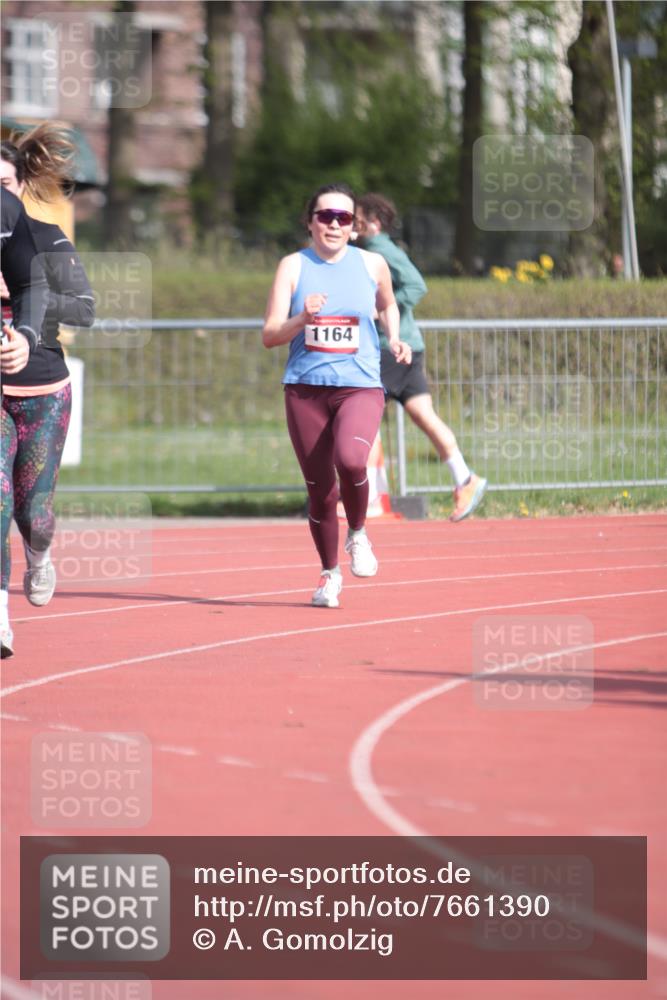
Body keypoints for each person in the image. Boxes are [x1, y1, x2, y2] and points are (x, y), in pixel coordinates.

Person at [263, 182, 411, 608]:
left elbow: (387, 305)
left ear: (354, 227)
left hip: (359, 386)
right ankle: (329, 575)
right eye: (325, 216)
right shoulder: (292, 266)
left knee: (351, 459)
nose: (333, 224)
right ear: (310, 222)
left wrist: (395, 336)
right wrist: (302, 317)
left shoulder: (372, 264)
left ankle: (359, 533)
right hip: (305, 391)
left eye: (342, 218)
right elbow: (269, 335)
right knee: (321, 491)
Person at [1, 123, 95, 658]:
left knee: (30, 511)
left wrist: (23, 301)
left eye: (4, 184)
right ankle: (1, 618)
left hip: (41, 388)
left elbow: (84, 308)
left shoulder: (47, 237)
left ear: (20, 186)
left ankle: (39, 554)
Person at [355, 193, 487, 522]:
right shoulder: (371, 250)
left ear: (372, 223)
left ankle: (370, 498)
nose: (350, 226)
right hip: (407, 346)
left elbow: (416, 285)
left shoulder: (379, 251)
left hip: (390, 346)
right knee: (423, 414)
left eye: (355, 220)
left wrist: (381, 308)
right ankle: (466, 478)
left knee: (364, 415)